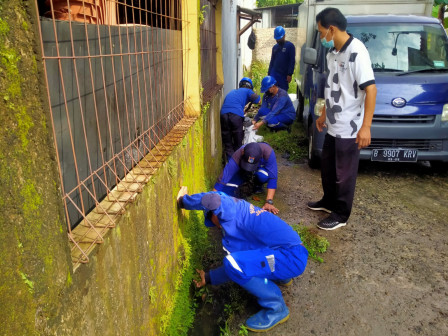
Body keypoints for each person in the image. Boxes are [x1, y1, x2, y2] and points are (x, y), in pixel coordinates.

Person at [177, 190, 308, 333]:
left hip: (292, 257)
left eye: (211, 219)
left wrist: (183, 201)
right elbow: (241, 264)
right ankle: (283, 276)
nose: (216, 226)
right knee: (242, 262)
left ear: (215, 213)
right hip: (288, 251)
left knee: (232, 263)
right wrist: (209, 277)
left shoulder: (231, 208)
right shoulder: (241, 217)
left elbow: (213, 199)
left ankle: (276, 307)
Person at [307, 8, 377, 230]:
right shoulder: (332, 54)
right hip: (333, 124)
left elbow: (371, 89)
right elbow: (334, 87)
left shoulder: (357, 52)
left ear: (332, 29)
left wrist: (366, 127)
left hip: (350, 127)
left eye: (321, 32)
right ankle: (328, 202)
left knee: (344, 174)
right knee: (328, 169)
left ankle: (341, 215)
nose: (321, 37)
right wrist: (323, 113)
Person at [214, 142, 279, 214]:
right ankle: (245, 180)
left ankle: (257, 186)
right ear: (243, 152)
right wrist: (213, 194)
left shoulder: (268, 153)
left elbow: (273, 178)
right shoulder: (238, 154)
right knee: (228, 189)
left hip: (259, 169)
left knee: (263, 176)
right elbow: (226, 174)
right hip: (242, 169)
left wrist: (269, 202)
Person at [220, 77, 260, 160]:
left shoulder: (233, 91)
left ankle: (229, 161)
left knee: (227, 139)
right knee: (238, 139)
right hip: (235, 115)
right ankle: (237, 161)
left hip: (223, 114)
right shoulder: (248, 91)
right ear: (250, 86)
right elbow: (257, 100)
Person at [268, 26, 296, 91]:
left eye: (279, 39)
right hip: (274, 73)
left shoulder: (290, 46)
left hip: (283, 75)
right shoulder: (275, 47)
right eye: (277, 39)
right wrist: (269, 73)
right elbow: (272, 61)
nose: (278, 40)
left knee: (282, 93)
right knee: (272, 92)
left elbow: (292, 61)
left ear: (284, 36)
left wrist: (290, 74)